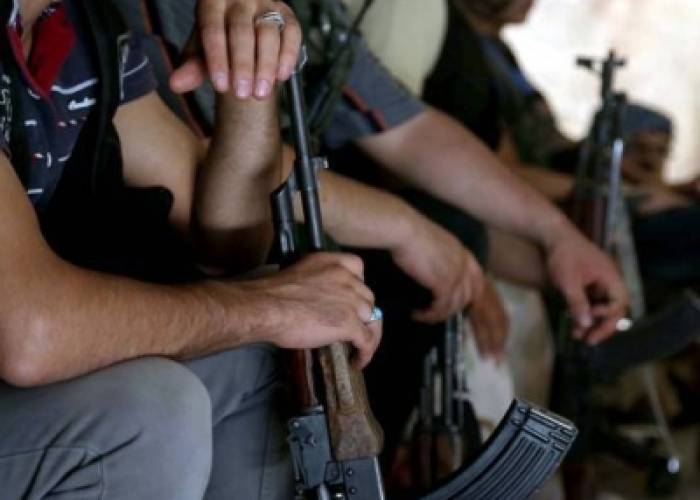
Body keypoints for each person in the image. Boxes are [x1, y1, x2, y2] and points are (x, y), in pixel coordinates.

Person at [0, 1, 388, 498]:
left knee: (270, 344)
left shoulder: (75, 23)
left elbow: (229, 250)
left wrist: (249, 79)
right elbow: (29, 335)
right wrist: (270, 307)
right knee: (151, 411)